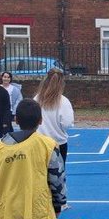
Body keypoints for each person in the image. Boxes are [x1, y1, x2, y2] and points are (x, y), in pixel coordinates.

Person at [34, 68, 73, 208]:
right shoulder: (64, 102)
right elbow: (67, 123)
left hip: (40, 142)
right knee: (58, 173)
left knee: (40, 172)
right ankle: (60, 202)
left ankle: (41, 200)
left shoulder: (37, 98)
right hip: (58, 143)